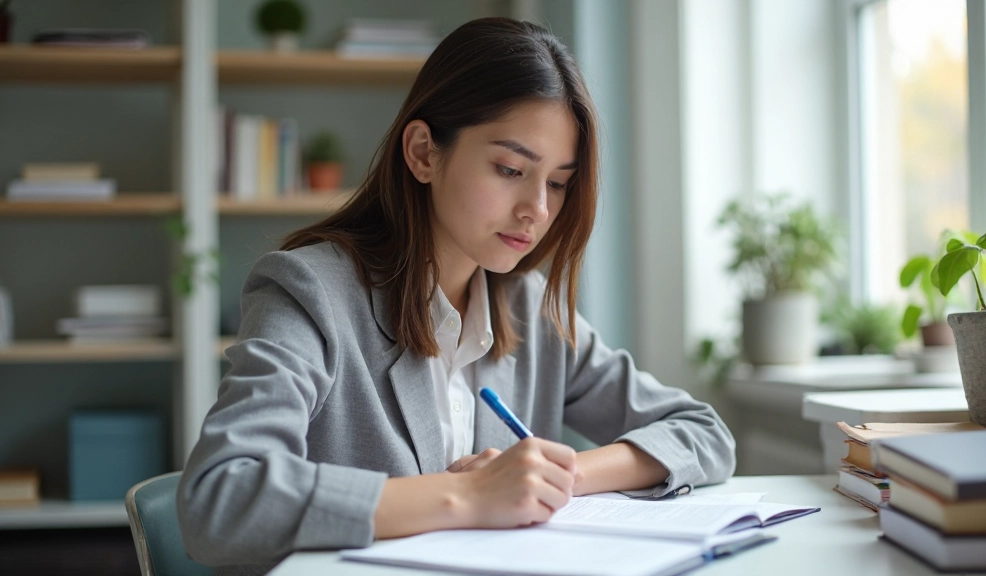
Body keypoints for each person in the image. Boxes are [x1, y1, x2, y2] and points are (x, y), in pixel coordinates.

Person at [177, 16, 735, 575]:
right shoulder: (309, 293)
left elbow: (703, 432)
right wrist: (468, 495)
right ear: (423, 153)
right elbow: (220, 497)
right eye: (510, 169)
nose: (538, 209)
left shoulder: (528, 307)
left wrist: (553, 475)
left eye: (558, 182)